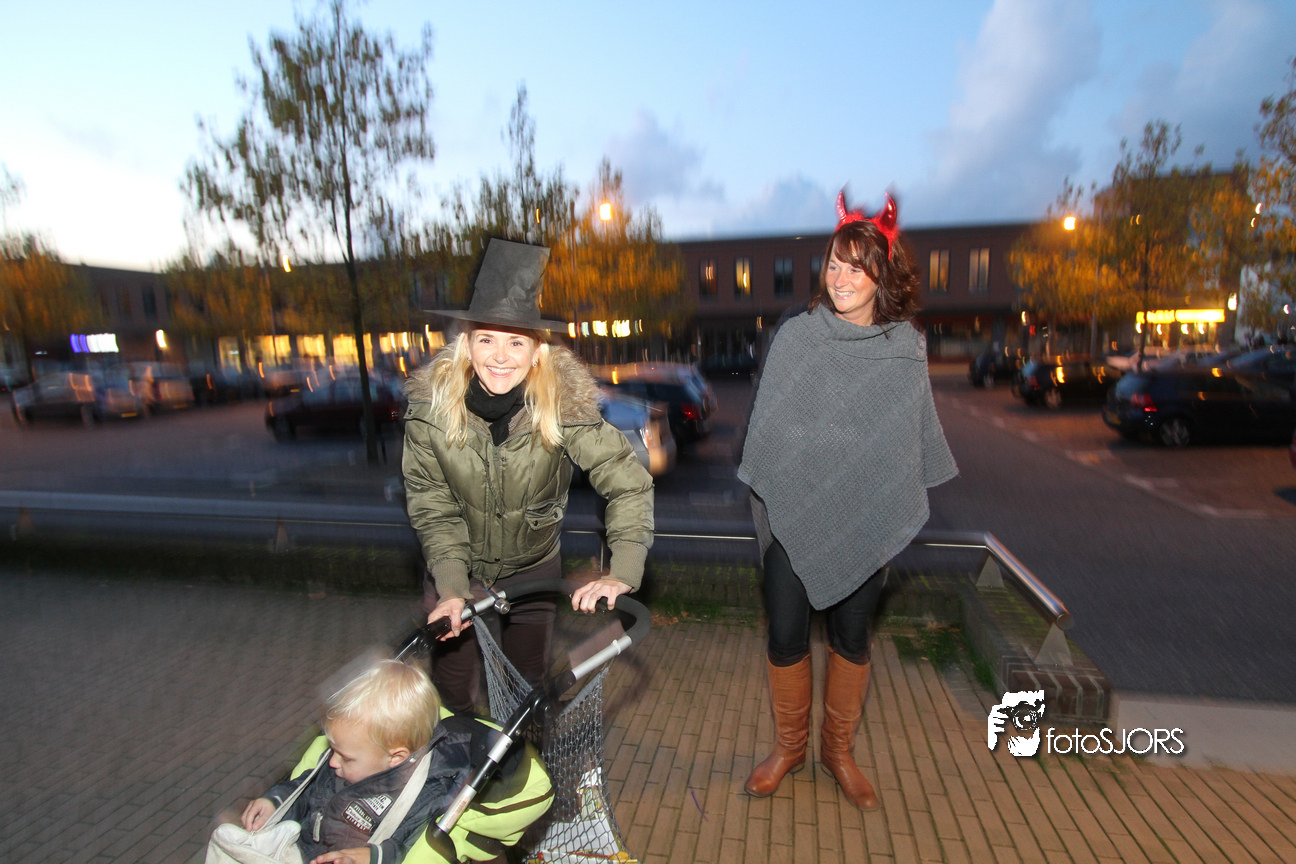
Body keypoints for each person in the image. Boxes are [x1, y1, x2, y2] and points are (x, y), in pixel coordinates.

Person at [736, 191, 958, 810]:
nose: (840, 279)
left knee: (852, 638)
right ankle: (789, 749)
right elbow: (768, 430)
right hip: (790, 511)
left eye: (856, 268)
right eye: (834, 264)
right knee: (785, 635)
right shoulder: (797, 337)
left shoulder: (904, 348)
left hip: (866, 514)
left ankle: (838, 752)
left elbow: (903, 445)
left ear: (883, 275)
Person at [402, 238, 654, 713]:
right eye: (486, 339)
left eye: (516, 341)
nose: (500, 356)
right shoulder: (429, 413)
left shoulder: (562, 406)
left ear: (537, 351)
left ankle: (526, 760)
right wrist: (452, 587)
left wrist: (622, 570)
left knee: (526, 694)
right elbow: (432, 506)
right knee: (452, 691)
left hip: (533, 568)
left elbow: (627, 481)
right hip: (457, 565)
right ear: (466, 344)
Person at [240, 659, 470, 864]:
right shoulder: (344, 762)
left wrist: (371, 856)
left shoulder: (421, 794)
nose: (332, 762)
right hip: (303, 850)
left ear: (395, 757)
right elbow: (306, 791)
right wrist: (276, 801)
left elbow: (406, 847)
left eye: (346, 757)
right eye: (332, 750)